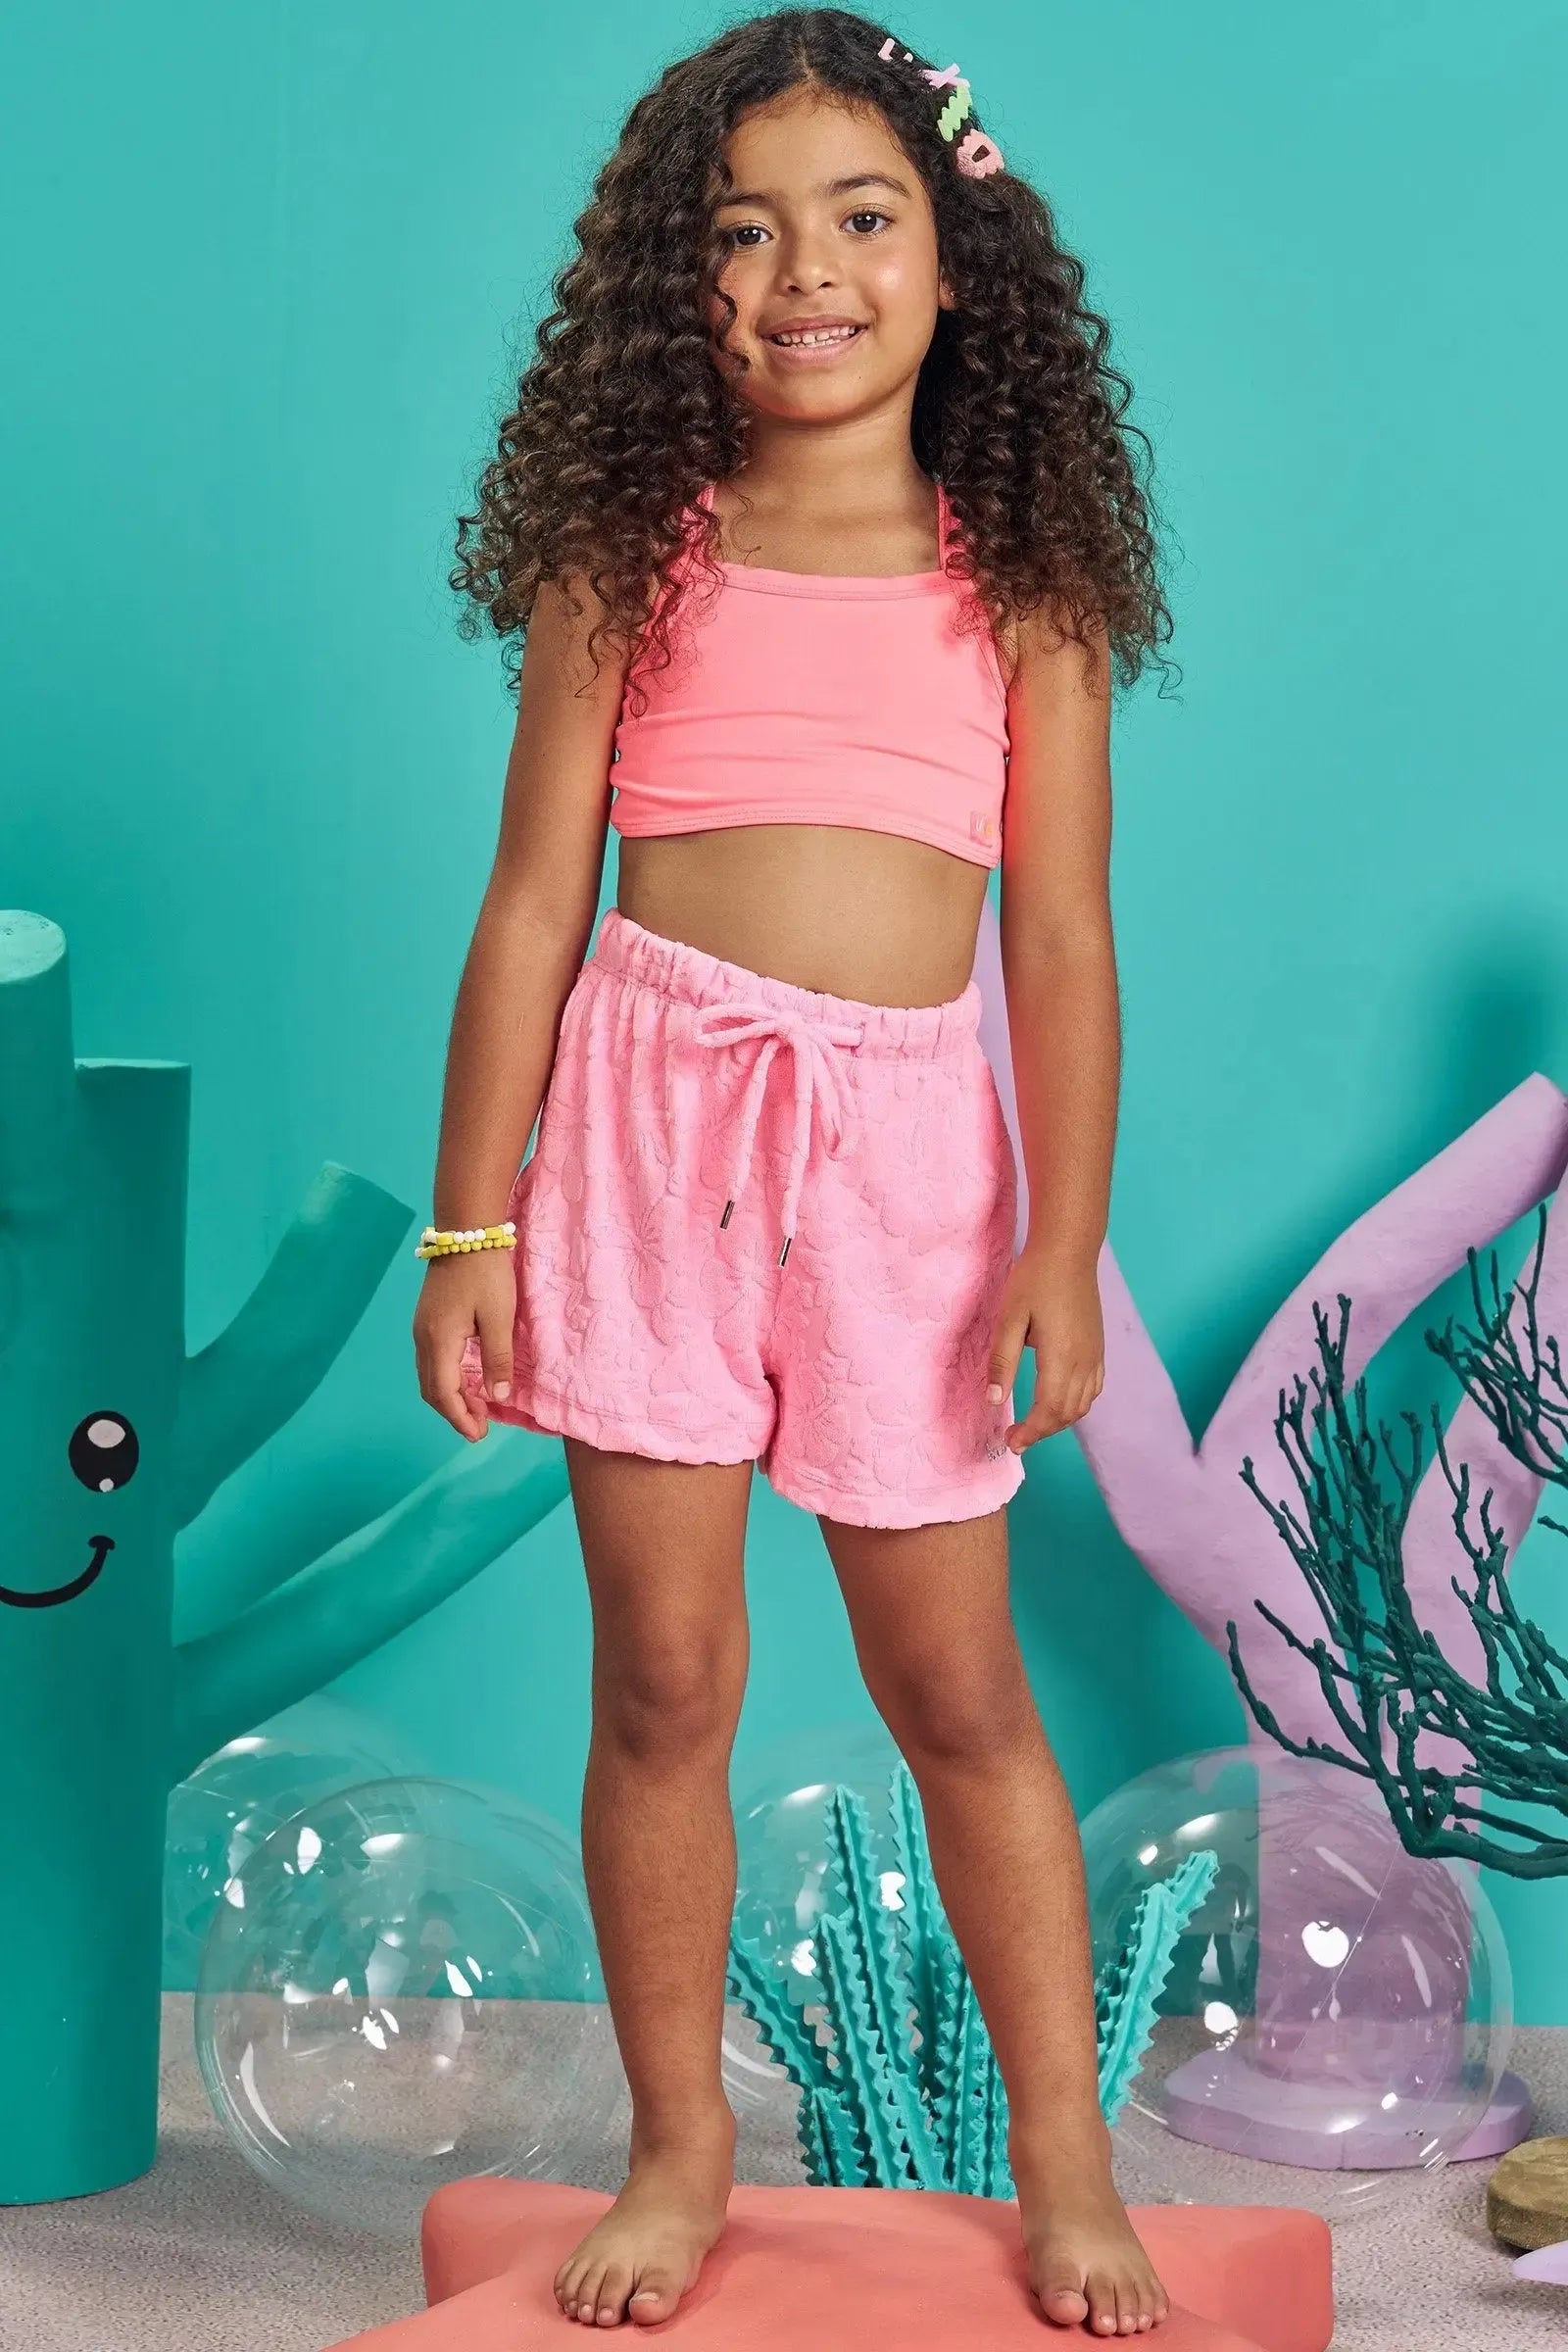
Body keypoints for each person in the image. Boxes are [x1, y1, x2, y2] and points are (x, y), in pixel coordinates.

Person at [415, 7, 1176, 2334]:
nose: (803, 275)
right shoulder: (624, 554)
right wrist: (471, 1221)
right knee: (661, 1675)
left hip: (905, 1167)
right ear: (679, 285)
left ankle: (1065, 2162)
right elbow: (530, 904)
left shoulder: (1018, 575)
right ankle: (678, 2147)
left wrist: (1058, 1236)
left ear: (956, 257)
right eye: (739, 236)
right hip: (645, 1134)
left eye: (859, 219)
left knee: (957, 1688)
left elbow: (1059, 934)